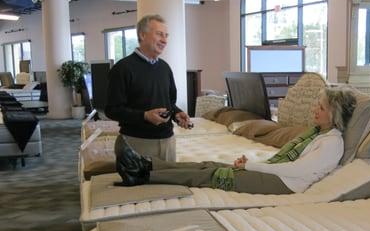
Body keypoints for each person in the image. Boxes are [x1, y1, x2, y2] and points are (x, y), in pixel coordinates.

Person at [115, 87, 357, 194]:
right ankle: (146, 164)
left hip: (286, 184)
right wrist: (254, 163)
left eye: (322, 107)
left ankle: (143, 176)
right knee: (209, 164)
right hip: (277, 174)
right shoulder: (316, 133)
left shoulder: (332, 142)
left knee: (208, 176)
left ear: (334, 114)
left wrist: (250, 165)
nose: (316, 110)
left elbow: (297, 169)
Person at [105, 14, 190, 162]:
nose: (164, 40)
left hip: (168, 142)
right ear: (142, 35)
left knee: (168, 186)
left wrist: (177, 113)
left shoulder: (164, 68)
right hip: (136, 144)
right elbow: (111, 110)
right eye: (159, 34)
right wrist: (144, 116)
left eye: (166, 35)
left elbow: (169, 103)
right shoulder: (123, 68)